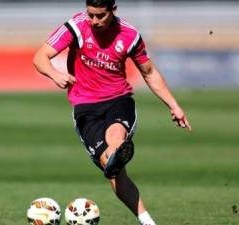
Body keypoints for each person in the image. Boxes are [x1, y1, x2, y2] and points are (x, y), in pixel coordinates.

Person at [33, 0, 192, 224]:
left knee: (116, 137)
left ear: (113, 10)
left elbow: (149, 72)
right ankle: (116, 167)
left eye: (100, 16)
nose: (94, 21)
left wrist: (174, 106)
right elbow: (40, 57)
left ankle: (117, 153)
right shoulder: (76, 27)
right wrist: (55, 74)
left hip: (118, 100)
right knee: (113, 170)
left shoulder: (129, 35)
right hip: (85, 108)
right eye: (91, 15)